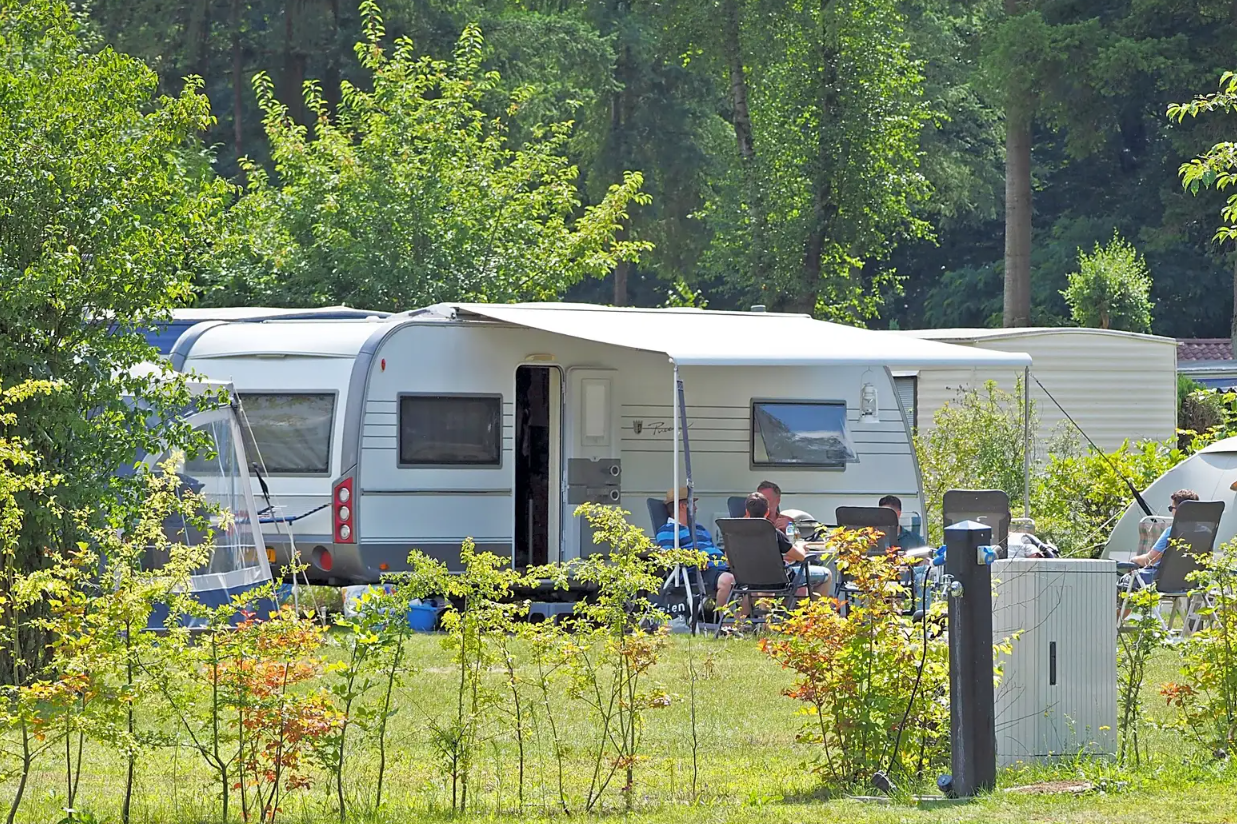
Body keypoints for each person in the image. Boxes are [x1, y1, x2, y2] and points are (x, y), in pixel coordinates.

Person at [655, 486, 729, 599]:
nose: (695, 508)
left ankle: (744, 611)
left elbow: (711, 548)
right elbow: (666, 555)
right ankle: (721, 612)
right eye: (693, 504)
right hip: (696, 572)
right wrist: (694, 557)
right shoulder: (668, 529)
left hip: (721, 567)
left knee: (752, 582)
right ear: (682, 506)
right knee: (727, 580)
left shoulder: (700, 528)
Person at [1122, 489, 1200, 591]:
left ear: (1179, 510)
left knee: (1124, 582)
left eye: (1171, 508)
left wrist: (1134, 560)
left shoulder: (1172, 532)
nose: (1171, 511)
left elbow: (1150, 560)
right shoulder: (1205, 531)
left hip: (1162, 581)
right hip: (1191, 583)